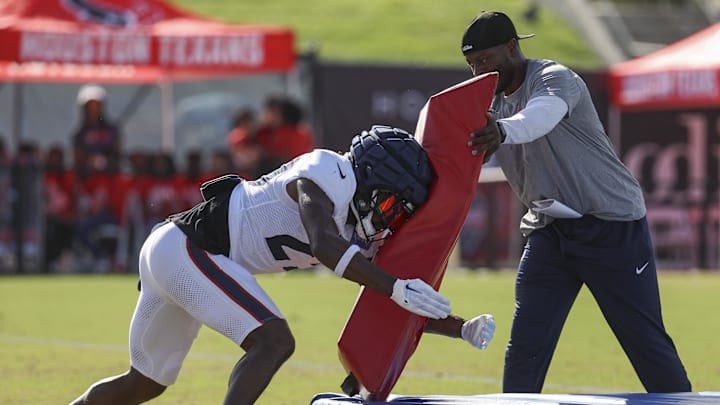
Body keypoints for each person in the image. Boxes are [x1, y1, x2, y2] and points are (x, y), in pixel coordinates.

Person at [69, 125, 496, 405]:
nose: (389, 218)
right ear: (371, 177)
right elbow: (325, 245)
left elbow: (392, 302)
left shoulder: (362, 233)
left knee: (145, 382)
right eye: (388, 203)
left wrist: (459, 326)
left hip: (180, 255)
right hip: (188, 248)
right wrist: (396, 285)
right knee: (274, 341)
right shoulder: (327, 169)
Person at [462, 11, 692, 393]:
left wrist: (500, 131)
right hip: (549, 231)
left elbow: (539, 117)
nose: (478, 72)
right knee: (525, 348)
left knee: (645, 343)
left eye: (484, 61)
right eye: (471, 64)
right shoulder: (487, 98)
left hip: (610, 225)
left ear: (512, 47)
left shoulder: (555, 78)